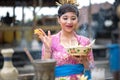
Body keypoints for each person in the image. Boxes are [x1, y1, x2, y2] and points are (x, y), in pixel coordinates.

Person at [37, 3, 94, 80]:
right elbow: (44, 70)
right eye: (65, 18)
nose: (69, 22)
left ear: (77, 20)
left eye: (73, 18)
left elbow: (91, 69)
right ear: (58, 20)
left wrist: (84, 59)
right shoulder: (50, 41)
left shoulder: (85, 42)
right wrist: (47, 50)